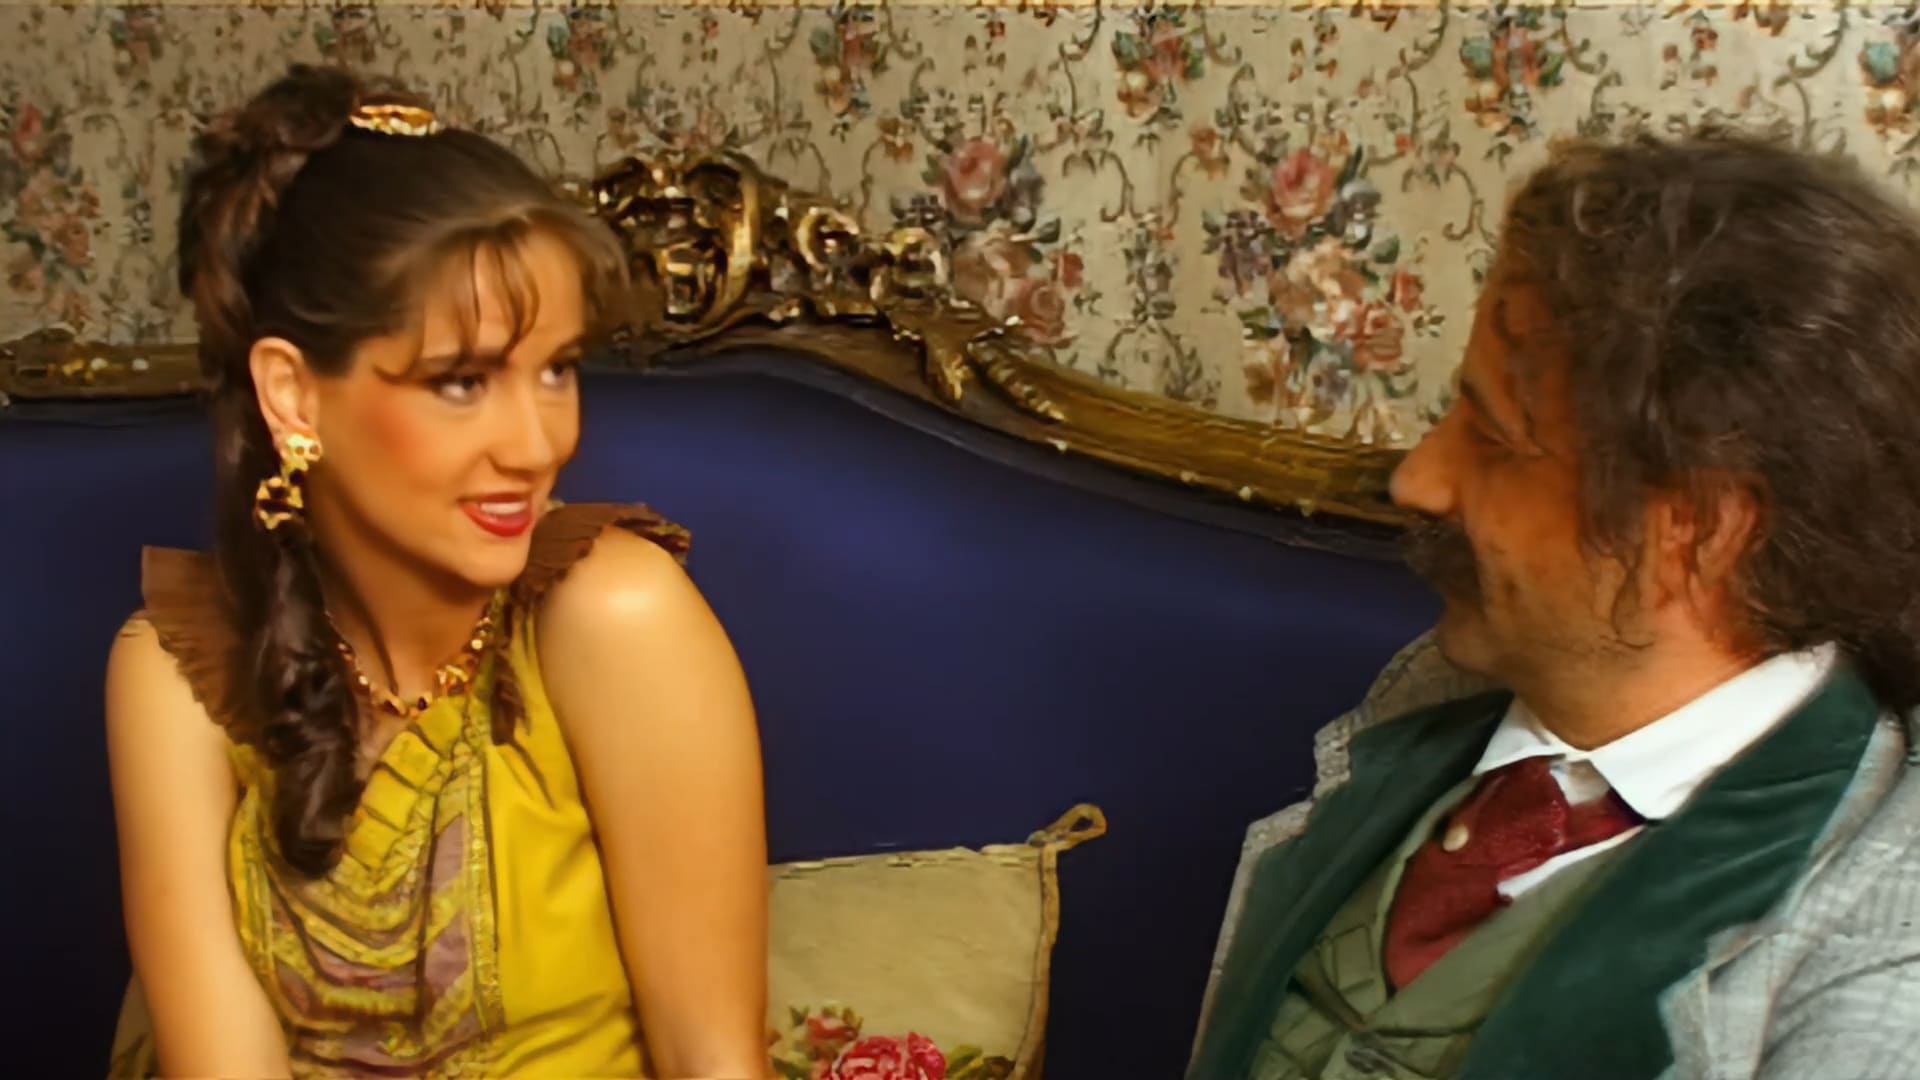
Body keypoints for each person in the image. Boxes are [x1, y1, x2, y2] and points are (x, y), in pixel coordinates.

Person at [1190, 133, 1920, 1080]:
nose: (1418, 481)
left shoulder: (1879, 970)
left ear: (1699, 530)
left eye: (1494, 441)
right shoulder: (1428, 691)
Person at [104, 65, 769, 1079]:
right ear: (294, 396)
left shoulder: (617, 617)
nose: (537, 445)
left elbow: (712, 1060)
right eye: (461, 382)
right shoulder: (172, 678)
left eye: (557, 369)